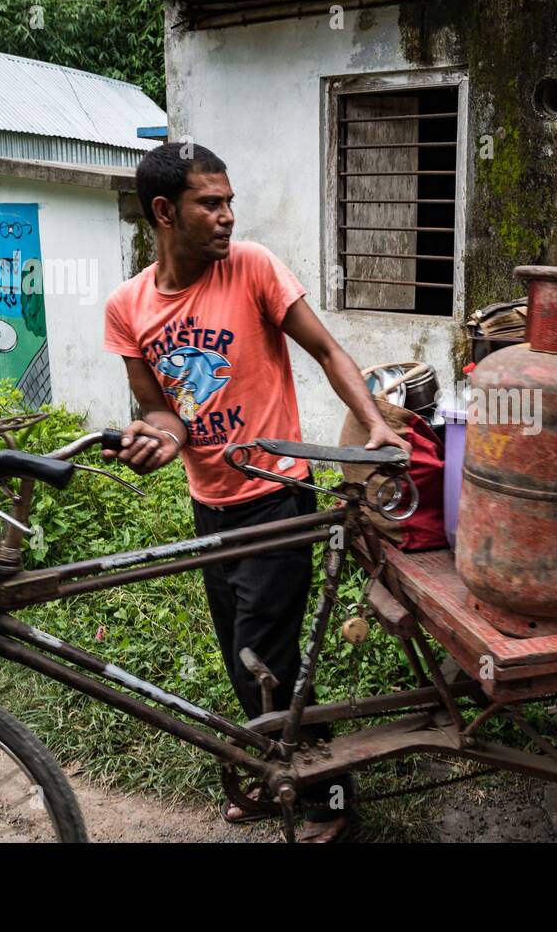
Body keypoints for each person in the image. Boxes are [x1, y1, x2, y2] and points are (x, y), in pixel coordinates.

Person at [101, 142, 409, 839]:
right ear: (164, 212)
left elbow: (327, 350)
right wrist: (159, 441)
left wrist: (373, 425)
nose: (227, 217)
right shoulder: (128, 308)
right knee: (249, 663)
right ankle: (284, 774)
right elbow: (160, 411)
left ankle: (326, 797)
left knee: (262, 657)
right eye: (210, 203)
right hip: (208, 505)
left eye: (229, 201)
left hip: (277, 498)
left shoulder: (254, 268)